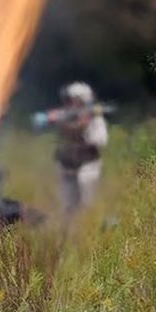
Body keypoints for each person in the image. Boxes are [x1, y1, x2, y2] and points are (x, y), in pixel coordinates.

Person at [53, 82, 108, 215]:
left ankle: (88, 227)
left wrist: (84, 128)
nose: (71, 104)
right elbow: (61, 139)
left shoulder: (95, 118)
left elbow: (100, 140)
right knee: (67, 205)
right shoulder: (64, 116)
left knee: (86, 202)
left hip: (87, 164)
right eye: (69, 101)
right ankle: (68, 232)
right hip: (67, 165)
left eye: (75, 100)